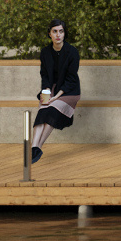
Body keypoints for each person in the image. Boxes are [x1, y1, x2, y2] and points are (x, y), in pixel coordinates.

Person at [30, 20, 80, 160]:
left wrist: (56, 96)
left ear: (64, 33)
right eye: (55, 31)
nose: (58, 35)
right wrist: (46, 92)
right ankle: (35, 147)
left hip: (69, 91)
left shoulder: (72, 52)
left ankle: (37, 147)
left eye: (61, 31)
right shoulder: (45, 52)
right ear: (49, 34)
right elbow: (44, 75)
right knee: (43, 109)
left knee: (51, 110)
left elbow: (71, 78)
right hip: (51, 88)